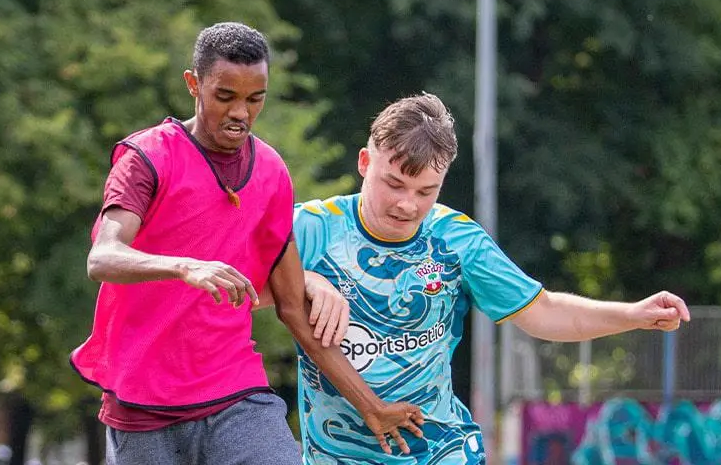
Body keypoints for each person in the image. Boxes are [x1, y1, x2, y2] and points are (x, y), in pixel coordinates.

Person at [72, 22, 422, 464]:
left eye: (255, 99)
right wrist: (185, 266)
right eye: (225, 97)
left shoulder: (272, 173)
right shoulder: (148, 157)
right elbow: (102, 257)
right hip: (142, 399)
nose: (241, 112)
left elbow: (293, 308)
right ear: (193, 84)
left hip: (233, 390)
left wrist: (372, 408)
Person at [292, 93, 690, 463]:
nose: (407, 205)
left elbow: (545, 313)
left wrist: (633, 314)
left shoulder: (456, 240)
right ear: (364, 162)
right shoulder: (310, 228)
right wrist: (305, 279)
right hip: (337, 454)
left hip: (437, 450)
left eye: (425, 191)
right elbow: (242, 290)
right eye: (394, 184)